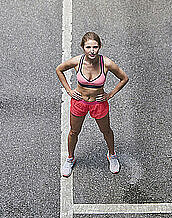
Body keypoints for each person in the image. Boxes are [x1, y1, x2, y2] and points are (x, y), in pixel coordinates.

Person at [55, 31, 129, 177]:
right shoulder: (77, 61)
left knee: (106, 131)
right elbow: (59, 70)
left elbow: (124, 78)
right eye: (88, 47)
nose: (92, 51)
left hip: (98, 103)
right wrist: (69, 90)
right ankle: (70, 159)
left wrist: (109, 95)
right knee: (73, 132)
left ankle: (112, 155)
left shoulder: (106, 63)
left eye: (95, 47)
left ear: (100, 47)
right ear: (83, 47)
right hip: (79, 102)